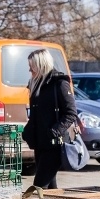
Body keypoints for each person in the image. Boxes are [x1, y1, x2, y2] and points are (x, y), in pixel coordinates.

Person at [21, 48, 76, 190]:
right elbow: (35, 115)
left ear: (41, 65)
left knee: (39, 186)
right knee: (50, 187)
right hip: (40, 143)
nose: (29, 69)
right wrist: (27, 132)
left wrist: (54, 131)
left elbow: (71, 113)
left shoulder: (59, 84)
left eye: (32, 66)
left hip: (55, 145)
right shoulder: (35, 84)